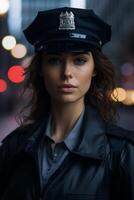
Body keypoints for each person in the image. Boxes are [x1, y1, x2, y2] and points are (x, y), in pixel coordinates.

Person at [0, 7, 134, 200]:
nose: (67, 73)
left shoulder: (122, 153)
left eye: (79, 60)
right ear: (41, 69)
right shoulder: (14, 147)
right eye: (54, 60)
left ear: (94, 69)